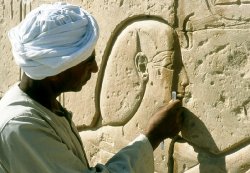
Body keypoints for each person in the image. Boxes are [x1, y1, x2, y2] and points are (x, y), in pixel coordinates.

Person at [0, 2, 183, 173]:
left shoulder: (45, 106)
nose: (95, 68)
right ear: (56, 70)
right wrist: (153, 137)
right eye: (88, 61)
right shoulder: (21, 127)